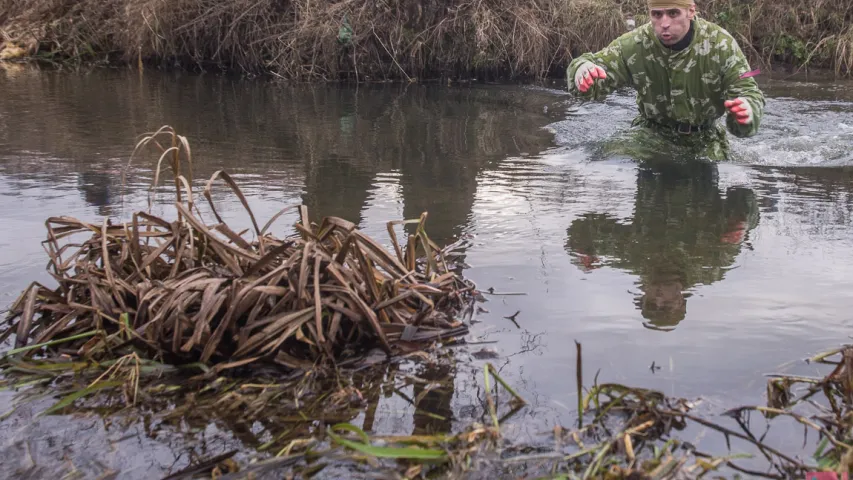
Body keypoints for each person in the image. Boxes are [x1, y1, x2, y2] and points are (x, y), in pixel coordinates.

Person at [565, 159, 759, 331]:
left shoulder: (632, 257)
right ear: (681, 302)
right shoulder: (711, 267)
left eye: (651, 303)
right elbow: (743, 194)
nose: (658, 298)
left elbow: (582, 228)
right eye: (665, 305)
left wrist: (581, 254)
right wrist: (742, 220)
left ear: (644, 296)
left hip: (653, 162)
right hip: (700, 164)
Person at [565, 0, 766, 161]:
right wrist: (582, 71)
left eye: (673, 13)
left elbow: (748, 90)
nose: (665, 23)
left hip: (705, 140)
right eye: (657, 14)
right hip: (651, 135)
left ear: (691, 11)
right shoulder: (635, 44)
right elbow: (593, 65)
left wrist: (747, 111)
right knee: (604, 157)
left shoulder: (721, 44)